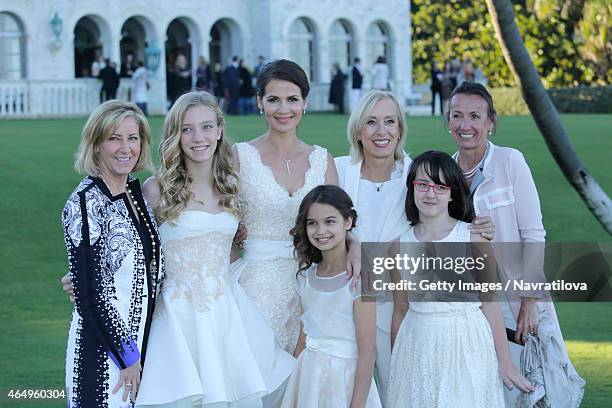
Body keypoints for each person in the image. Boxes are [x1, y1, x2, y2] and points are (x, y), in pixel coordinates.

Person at [335, 89, 495, 406]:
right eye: (371, 122)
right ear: (358, 130)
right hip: (345, 308)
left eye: (390, 122)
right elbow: (318, 222)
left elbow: (449, 219)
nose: (382, 132)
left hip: (403, 313)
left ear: (400, 128)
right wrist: (350, 241)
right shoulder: (339, 172)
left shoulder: (416, 176)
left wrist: (482, 226)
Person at [134, 91, 294, 407]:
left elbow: (230, 247)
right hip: (178, 314)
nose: (198, 137)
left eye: (207, 127)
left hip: (227, 311)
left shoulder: (230, 186)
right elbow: (131, 249)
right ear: (175, 135)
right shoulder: (156, 189)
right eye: (187, 129)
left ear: (219, 130)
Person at [447, 81, 585, 406]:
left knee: (535, 389)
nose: (466, 125)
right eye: (457, 116)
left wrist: (529, 301)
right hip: (471, 307)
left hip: (518, 300)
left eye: (475, 116)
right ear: (448, 121)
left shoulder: (510, 162)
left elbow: (534, 234)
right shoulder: (445, 174)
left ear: (490, 122)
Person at [387, 151, 534, 407]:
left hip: (466, 343)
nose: (430, 193)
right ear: (411, 189)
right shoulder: (398, 246)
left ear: (452, 192)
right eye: (422, 185)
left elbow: (490, 305)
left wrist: (505, 362)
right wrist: (397, 362)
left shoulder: (474, 238)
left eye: (440, 187)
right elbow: (401, 309)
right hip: (417, 344)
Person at [229, 59, 343, 353]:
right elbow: (214, 220)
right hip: (255, 290)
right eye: (273, 100)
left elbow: (339, 228)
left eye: (292, 99)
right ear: (260, 103)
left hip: (311, 288)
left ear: (305, 102)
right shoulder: (239, 157)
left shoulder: (322, 159)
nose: (283, 109)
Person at [62, 100, 163, 407]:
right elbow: (92, 294)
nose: (125, 148)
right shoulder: (85, 203)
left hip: (143, 348)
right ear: (96, 145)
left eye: (133, 138)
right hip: (103, 355)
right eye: (114, 138)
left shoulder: (135, 193)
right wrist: (128, 357)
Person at [281, 185, 381, 407]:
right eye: (312, 223)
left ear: (347, 222)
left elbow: (368, 352)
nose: (320, 230)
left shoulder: (361, 278)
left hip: (345, 381)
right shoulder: (306, 278)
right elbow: (302, 341)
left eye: (330, 221)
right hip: (308, 378)